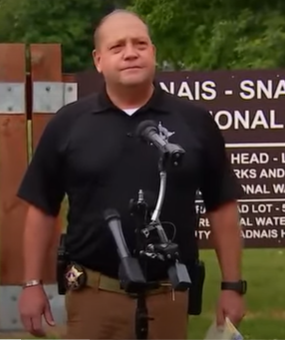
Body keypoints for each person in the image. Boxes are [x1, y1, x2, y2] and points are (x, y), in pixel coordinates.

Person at [16, 9, 246, 339]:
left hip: (168, 296)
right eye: (117, 46)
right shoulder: (69, 124)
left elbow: (222, 208)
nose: (130, 53)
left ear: (153, 52)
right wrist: (32, 284)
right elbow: (41, 207)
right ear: (98, 60)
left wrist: (232, 285)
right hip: (94, 297)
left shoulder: (194, 123)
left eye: (140, 43)